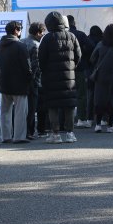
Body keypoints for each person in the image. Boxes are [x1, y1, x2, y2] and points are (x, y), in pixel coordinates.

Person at [38, 12, 81, 143]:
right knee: (69, 105)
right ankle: (70, 133)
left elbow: (41, 59)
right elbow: (79, 56)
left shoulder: (46, 38)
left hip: (50, 78)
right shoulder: (71, 36)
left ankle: (55, 134)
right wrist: (71, 68)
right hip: (69, 77)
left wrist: (45, 70)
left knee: (53, 106)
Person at [0, 21, 33, 144]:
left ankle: (5, 136)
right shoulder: (21, 46)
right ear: (16, 30)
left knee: (5, 111)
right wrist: (29, 79)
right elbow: (27, 66)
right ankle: (19, 136)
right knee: (20, 111)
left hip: (4, 83)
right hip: (20, 84)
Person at [90, 24, 113, 133]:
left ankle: (98, 124)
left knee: (99, 100)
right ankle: (110, 126)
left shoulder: (100, 45)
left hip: (101, 76)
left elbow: (92, 58)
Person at [67, 15, 94, 128]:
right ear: (74, 22)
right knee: (81, 94)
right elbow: (91, 47)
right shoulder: (80, 34)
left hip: (64, 69)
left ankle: (64, 121)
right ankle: (81, 119)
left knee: (65, 95)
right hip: (79, 68)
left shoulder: (57, 35)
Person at [21, 22, 45, 140]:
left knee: (21, 107)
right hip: (33, 81)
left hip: (21, 79)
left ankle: (21, 130)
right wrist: (34, 80)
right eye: (42, 32)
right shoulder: (36, 45)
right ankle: (29, 131)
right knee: (31, 107)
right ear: (37, 33)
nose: (42, 35)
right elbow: (35, 66)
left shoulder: (21, 42)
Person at [85, 25, 103, 127]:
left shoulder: (87, 41)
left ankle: (89, 118)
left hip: (90, 71)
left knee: (90, 96)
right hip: (101, 71)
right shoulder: (103, 41)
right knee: (102, 96)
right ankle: (102, 119)